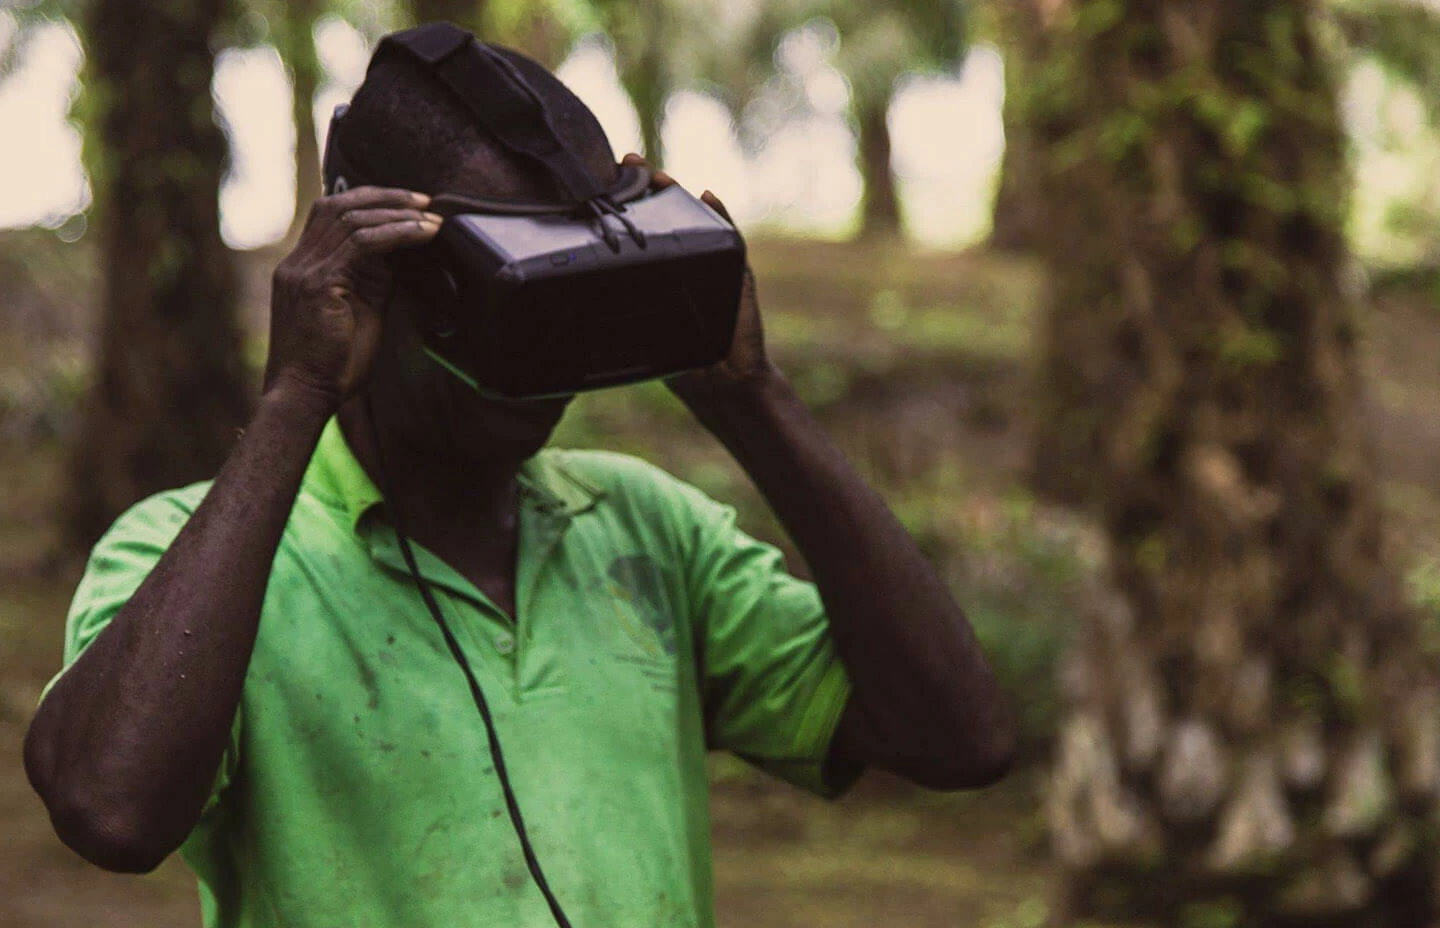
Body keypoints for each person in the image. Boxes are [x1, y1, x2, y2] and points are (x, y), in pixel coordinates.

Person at [24, 33, 1015, 928]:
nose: (553, 367)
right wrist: (296, 395)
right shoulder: (196, 556)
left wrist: (752, 397)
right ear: (368, 276)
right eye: (513, 301)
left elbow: (960, 739)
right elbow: (111, 810)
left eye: (576, 290)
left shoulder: (647, 535)